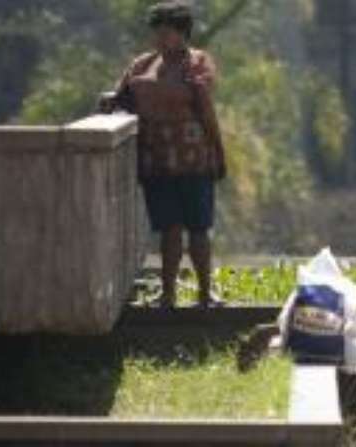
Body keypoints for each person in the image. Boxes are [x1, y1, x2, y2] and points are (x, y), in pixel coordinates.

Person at [102, 1, 226, 309]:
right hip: (156, 161)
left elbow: (207, 109)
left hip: (194, 160)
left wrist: (218, 151)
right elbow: (121, 97)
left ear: (182, 33)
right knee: (168, 229)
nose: (160, 38)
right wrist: (110, 102)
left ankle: (204, 292)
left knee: (198, 229)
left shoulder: (197, 63)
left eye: (167, 32)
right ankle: (168, 293)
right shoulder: (142, 65)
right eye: (157, 32)